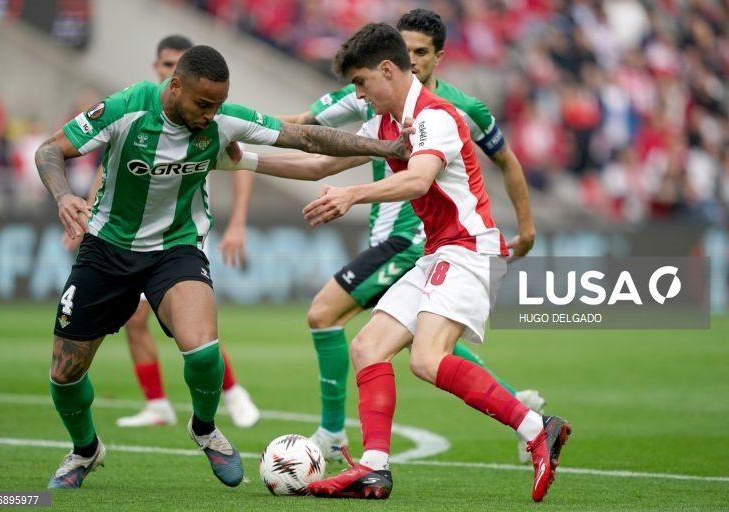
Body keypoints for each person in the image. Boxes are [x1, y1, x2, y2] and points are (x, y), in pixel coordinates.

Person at [36, 44, 410, 490]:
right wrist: (63, 196)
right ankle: (85, 450)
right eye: (202, 104)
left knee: (203, 349)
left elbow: (308, 139)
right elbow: (49, 151)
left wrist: (388, 146)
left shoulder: (224, 118)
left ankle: (205, 428)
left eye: (217, 104)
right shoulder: (126, 108)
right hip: (106, 248)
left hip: (175, 249)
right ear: (175, 86)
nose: (211, 115)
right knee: (65, 372)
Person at [235, 23, 571, 502]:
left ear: (387, 70)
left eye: (360, 82)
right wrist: (239, 158)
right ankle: (373, 469)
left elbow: (418, 180)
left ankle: (537, 426)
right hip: (440, 251)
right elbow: (315, 163)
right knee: (368, 347)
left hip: (470, 250)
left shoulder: (436, 116)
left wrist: (353, 194)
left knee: (426, 359)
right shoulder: (386, 123)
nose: (357, 93)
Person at [107, 35, 261, 429]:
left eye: (176, 61)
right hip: (130, 235)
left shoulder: (205, 119)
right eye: (164, 63)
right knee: (136, 320)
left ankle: (232, 390)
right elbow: (110, 172)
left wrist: (239, 222)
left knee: (190, 324)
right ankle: (157, 404)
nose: (167, 68)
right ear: (163, 73)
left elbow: (244, 165)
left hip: (181, 231)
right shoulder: (141, 115)